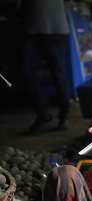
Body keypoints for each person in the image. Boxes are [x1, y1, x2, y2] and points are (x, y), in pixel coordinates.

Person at [21, 0, 71, 132]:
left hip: (56, 33)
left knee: (59, 76)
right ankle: (42, 114)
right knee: (26, 74)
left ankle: (64, 117)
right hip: (32, 33)